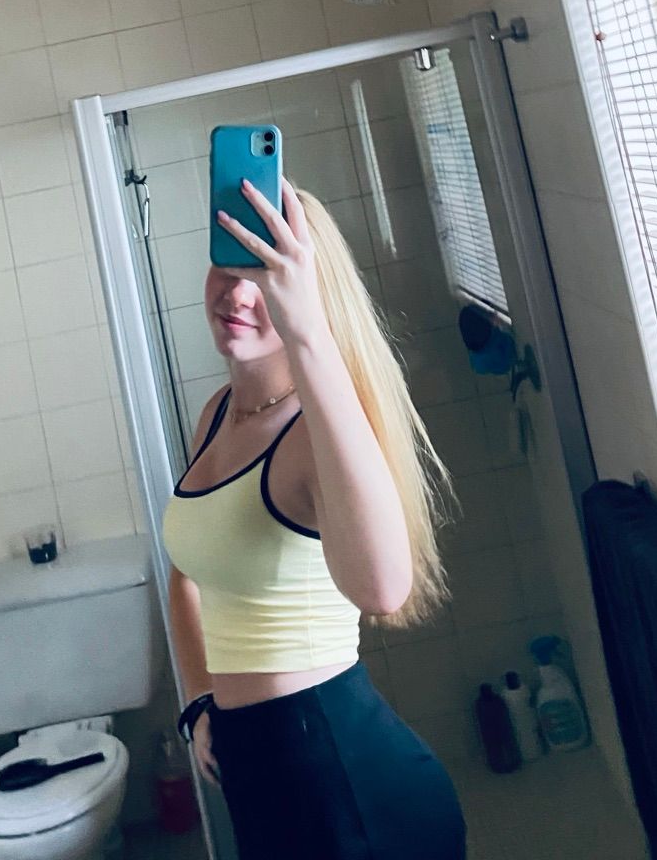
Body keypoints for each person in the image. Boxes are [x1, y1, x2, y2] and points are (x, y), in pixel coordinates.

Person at [162, 178, 466, 860]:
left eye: (267, 278)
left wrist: (308, 334)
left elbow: (383, 589)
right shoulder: (216, 414)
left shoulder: (315, 430)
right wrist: (199, 701)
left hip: (343, 782)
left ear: (305, 293)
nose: (238, 294)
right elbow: (187, 574)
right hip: (258, 771)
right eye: (228, 266)